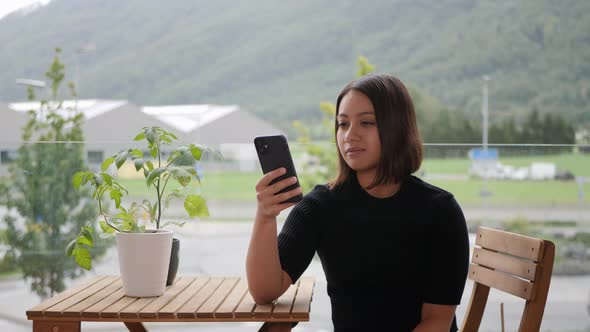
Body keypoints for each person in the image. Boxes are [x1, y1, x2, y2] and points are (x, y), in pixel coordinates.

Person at [246, 74, 469, 331]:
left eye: (366, 122)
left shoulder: (440, 211)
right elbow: (265, 291)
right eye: (342, 124)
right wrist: (265, 216)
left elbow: (437, 321)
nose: (350, 135)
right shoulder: (320, 206)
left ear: (396, 127)